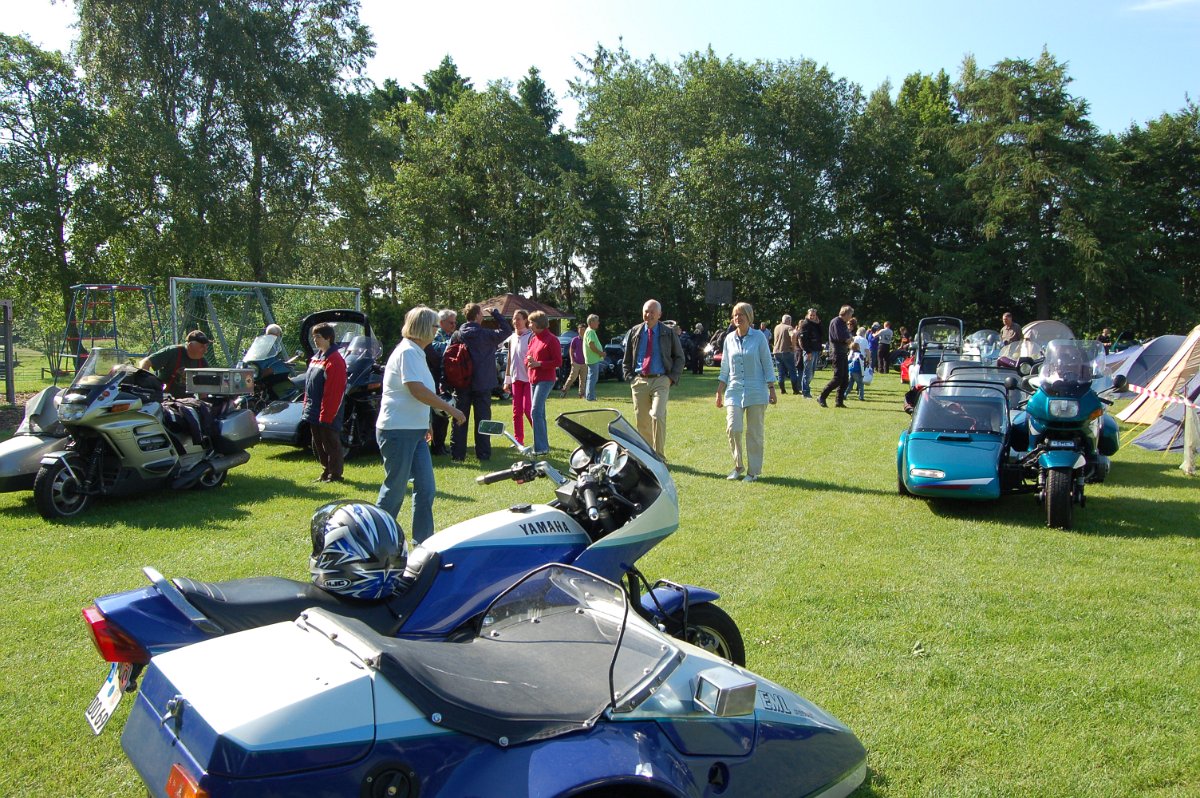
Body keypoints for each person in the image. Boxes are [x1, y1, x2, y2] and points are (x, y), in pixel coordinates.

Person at [376, 306, 465, 542]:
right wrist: (449, 408)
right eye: (435, 326)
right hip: (397, 430)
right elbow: (416, 390)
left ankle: (423, 542)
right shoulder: (407, 351)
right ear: (424, 327)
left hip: (414, 431)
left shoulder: (417, 352)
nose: (438, 330)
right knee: (395, 490)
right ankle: (376, 540)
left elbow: (419, 392)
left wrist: (426, 422)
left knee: (426, 489)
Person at [717, 302, 776, 482]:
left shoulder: (759, 337)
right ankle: (738, 466)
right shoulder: (729, 339)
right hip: (734, 390)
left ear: (749, 317)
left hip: (756, 390)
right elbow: (725, 367)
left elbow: (767, 363)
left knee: (754, 432)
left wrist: (772, 389)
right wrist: (719, 391)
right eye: (735, 314)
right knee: (733, 428)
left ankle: (753, 472)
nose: (737, 317)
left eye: (741, 314)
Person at [447, 303, 512, 462]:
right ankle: (483, 454)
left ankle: (457, 454)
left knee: (459, 418)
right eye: (481, 315)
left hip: (462, 381)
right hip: (482, 383)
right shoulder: (486, 335)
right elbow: (507, 331)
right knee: (483, 420)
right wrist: (496, 313)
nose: (482, 317)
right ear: (477, 316)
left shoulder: (458, 334)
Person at [622, 299, 685, 457]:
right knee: (642, 422)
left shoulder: (668, 332)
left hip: (661, 379)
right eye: (646, 311)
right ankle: (647, 456)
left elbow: (679, 357)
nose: (648, 315)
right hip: (639, 380)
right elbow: (627, 358)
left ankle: (659, 456)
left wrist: (670, 378)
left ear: (659, 314)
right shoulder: (635, 331)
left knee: (657, 415)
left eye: (652, 312)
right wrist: (630, 377)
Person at [302, 322, 348, 482]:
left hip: (328, 411)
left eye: (318, 337)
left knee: (331, 443)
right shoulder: (316, 358)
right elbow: (309, 385)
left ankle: (335, 474)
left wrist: (326, 414)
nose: (315, 340)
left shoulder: (335, 360)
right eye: (314, 336)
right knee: (318, 443)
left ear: (329, 338)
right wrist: (306, 405)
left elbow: (334, 391)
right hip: (313, 409)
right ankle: (325, 470)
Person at [525, 311, 563, 455]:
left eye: (530, 322)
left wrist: (539, 364)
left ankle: (540, 448)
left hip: (546, 379)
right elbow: (528, 355)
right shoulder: (534, 338)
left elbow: (558, 361)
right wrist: (528, 361)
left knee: (535, 411)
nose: (529, 325)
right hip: (533, 378)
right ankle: (543, 446)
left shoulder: (552, 339)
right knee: (539, 412)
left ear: (537, 324)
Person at [140, 330, 211, 397]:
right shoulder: (173, 352)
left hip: (188, 401)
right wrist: (145, 383)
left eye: (206, 346)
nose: (205, 351)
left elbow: (203, 390)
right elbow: (145, 362)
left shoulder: (202, 362)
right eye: (202, 346)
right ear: (190, 345)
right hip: (165, 398)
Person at [427, 309, 457, 455]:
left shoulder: (450, 335)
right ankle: (437, 447)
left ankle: (441, 445)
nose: (454, 325)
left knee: (444, 415)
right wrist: (453, 343)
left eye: (455, 322)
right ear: (441, 323)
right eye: (451, 322)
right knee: (439, 414)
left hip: (445, 380)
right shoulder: (437, 336)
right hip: (435, 379)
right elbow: (437, 349)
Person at [502, 309, 534, 445]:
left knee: (528, 409)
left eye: (519, 318)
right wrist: (507, 380)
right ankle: (518, 441)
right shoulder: (512, 337)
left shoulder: (531, 336)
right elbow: (510, 359)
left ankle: (540, 438)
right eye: (514, 319)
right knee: (516, 412)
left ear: (526, 320)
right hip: (516, 379)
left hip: (529, 379)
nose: (515, 321)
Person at [818, 305, 854, 408]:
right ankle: (822, 396)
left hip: (843, 352)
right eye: (850, 315)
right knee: (838, 378)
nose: (850, 317)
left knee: (845, 379)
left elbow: (848, 336)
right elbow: (840, 337)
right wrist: (849, 339)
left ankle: (839, 401)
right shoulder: (836, 322)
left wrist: (849, 339)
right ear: (846, 313)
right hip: (836, 352)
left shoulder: (843, 323)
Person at [772, 314, 800, 395]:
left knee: (781, 372)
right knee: (792, 371)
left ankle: (782, 390)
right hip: (787, 351)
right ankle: (795, 390)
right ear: (788, 320)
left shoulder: (776, 327)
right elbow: (793, 335)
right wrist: (793, 346)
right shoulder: (789, 327)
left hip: (776, 352)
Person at [798, 308, 822, 398]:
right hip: (809, 351)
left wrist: (819, 323)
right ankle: (805, 392)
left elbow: (822, 334)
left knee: (812, 372)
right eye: (811, 315)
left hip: (816, 350)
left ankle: (806, 389)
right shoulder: (805, 324)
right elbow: (803, 340)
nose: (812, 317)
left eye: (814, 315)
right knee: (807, 372)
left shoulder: (816, 324)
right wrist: (808, 352)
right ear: (807, 315)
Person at [560, 325, 588, 398]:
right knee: (572, 378)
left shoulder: (587, 339)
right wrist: (572, 360)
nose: (582, 331)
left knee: (583, 379)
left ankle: (581, 394)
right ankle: (564, 390)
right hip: (576, 362)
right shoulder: (575, 339)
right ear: (578, 330)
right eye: (580, 329)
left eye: (583, 329)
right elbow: (571, 350)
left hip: (585, 363)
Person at [583, 314, 604, 400]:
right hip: (592, 359)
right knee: (592, 378)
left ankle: (590, 396)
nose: (598, 323)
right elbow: (591, 345)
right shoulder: (590, 331)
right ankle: (590, 397)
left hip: (592, 358)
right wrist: (600, 353)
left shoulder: (589, 331)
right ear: (591, 322)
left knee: (591, 377)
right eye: (597, 321)